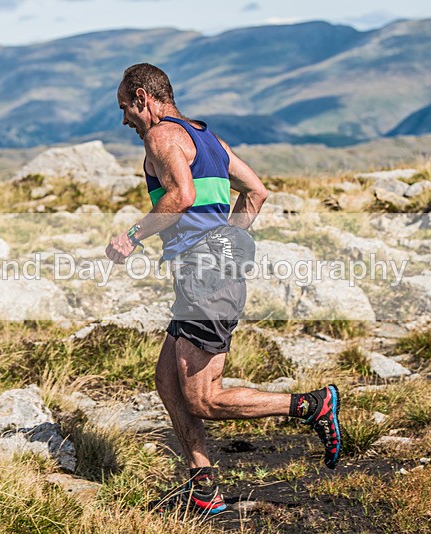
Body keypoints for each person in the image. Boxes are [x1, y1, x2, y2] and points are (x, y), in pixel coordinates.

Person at [105, 63, 342, 516]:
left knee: (204, 397)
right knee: (168, 383)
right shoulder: (206, 138)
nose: (124, 122)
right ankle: (203, 488)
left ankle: (313, 406)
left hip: (205, 276)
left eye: (125, 109)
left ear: (142, 97)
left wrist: (131, 237)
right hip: (207, 271)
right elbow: (256, 192)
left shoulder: (162, 137)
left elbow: (182, 197)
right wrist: (228, 241)